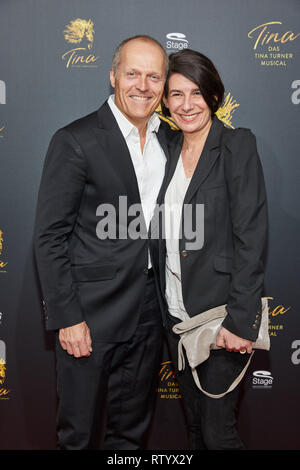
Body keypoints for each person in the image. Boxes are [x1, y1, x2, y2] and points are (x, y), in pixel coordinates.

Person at [33, 35, 171, 450]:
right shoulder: (75, 139)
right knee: (78, 435)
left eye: (154, 77)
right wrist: (67, 318)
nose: (142, 86)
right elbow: (49, 236)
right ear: (112, 76)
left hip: (150, 312)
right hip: (89, 316)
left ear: (164, 85)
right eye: (132, 74)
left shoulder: (172, 139)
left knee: (130, 434)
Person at [155, 49, 268, 450]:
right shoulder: (164, 149)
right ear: (165, 101)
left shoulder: (237, 146)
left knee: (220, 434)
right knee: (197, 429)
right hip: (175, 315)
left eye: (196, 93)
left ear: (214, 96)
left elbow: (251, 238)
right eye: (176, 94)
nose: (187, 105)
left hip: (221, 316)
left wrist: (241, 320)